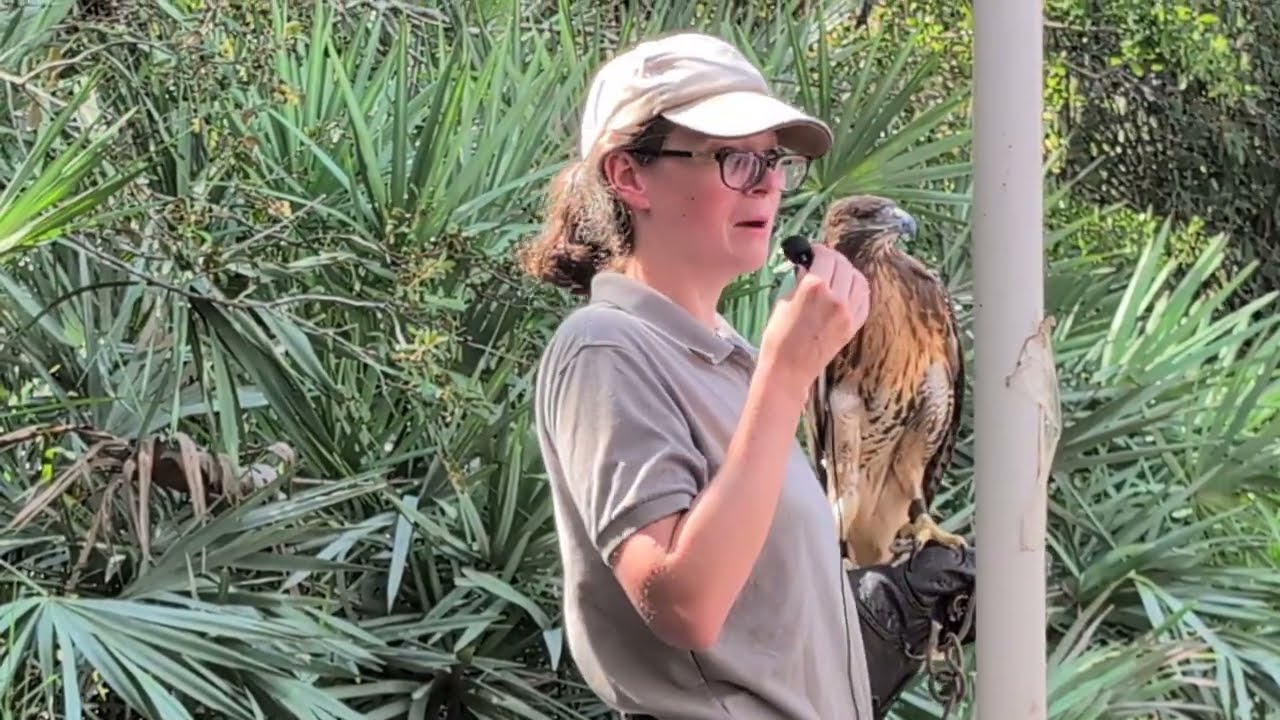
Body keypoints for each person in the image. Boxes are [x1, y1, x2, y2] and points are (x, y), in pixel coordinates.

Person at [518, 31, 975, 720]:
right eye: (732, 158)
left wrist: (876, 628)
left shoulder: (725, 359)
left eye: (772, 158)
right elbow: (683, 606)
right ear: (629, 176)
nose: (767, 182)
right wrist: (788, 375)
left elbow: (741, 640)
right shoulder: (606, 346)